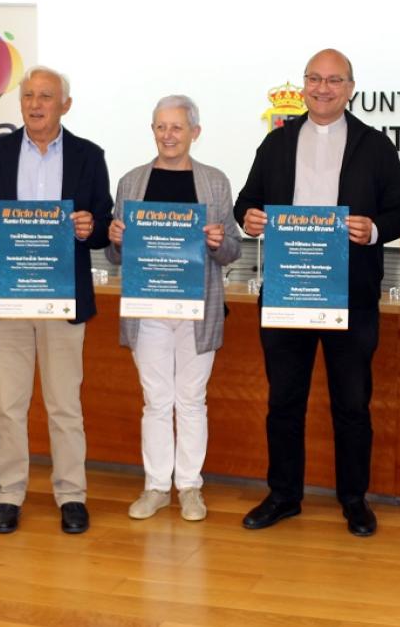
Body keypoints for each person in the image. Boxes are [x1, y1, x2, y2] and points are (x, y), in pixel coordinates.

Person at [233, 48, 400, 536]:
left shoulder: (374, 146)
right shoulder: (277, 142)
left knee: (352, 404)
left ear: (351, 88)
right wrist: (247, 219)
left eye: (334, 80)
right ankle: (283, 495)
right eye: (314, 78)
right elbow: (247, 201)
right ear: (303, 84)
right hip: (288, 291)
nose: (323, 88)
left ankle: (354, 500)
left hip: (350, 294)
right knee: (283, 401)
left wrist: (373, 229)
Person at [0, 65, 113, 535]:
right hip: (6, 300)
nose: (35, 104)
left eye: (45, 96)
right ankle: (8, 494)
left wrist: (91, 229)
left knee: (64, 403)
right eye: (28, 95)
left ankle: (71, 494)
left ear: (65, 104)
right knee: (8, 403)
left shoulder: (89, 156)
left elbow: (105, 227)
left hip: (62, 299)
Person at [106, 94, 241, 521]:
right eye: (161, 127)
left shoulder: (215, 181)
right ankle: (155, 486)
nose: (168, 135)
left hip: (198, 311)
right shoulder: (131, 182)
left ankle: (190, 487)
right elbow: (114, 257)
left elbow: (233, 249)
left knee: (192, 400)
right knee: (156, 401)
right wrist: (115, 239)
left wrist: (221, 243)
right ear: (153, 131)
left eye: (177, 127)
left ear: (194, 133)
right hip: (148, 310)